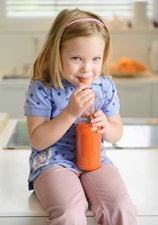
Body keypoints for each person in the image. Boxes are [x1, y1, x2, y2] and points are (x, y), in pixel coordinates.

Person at [24, 8, 137, 225]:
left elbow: (117, 132)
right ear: (56, 53)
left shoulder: (104, 85)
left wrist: (107, 127)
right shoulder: (43, 86)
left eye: (95, 58)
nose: (87, 69)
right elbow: (38, 139)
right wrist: (70, 112)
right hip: (53, 162)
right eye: (76, 58)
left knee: (121, 206)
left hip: (96, 160)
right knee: (71, 210)